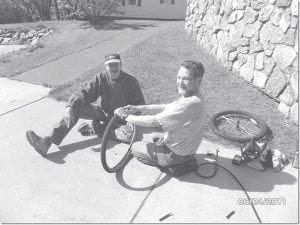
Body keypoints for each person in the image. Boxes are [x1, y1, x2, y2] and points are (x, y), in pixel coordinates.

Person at [26, 53, 145, 156]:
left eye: (116, 64)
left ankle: (96, 128)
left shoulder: (131, 81)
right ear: (105, 67)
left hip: (121, 119)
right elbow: (84, 93)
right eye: (110, 65)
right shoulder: (101, 78)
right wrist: (70, 107)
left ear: (121, 65)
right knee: (76, 106)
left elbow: (140, 105)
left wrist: (130, 115)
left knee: (128, 136)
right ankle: (46, 142)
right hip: (103, 113)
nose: (113, 67)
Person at [115, 60, 207, 176]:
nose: (180, 82)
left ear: (198, 81)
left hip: (175, 154)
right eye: (178, 77)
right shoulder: (194, 96)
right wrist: (138, 108)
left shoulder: (191, 103)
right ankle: (183, 161)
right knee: (155, 137)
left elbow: (155, 121)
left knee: (135, 148)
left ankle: (171, 166)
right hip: (185, 148)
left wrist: (126, 116)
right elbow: (166, 107)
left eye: (185, 79)